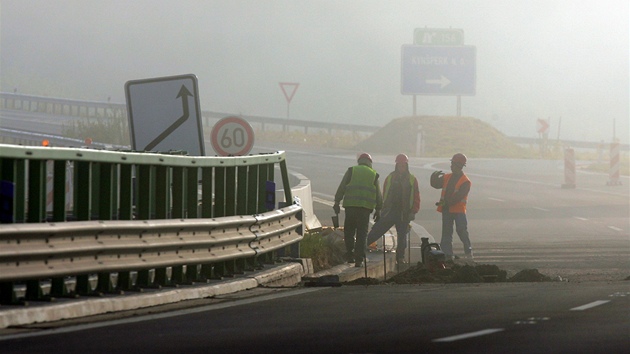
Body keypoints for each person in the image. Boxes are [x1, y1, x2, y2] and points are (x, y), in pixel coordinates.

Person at [363, 153, 420, 266]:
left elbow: (416, 196)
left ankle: (400, 258)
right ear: (396, 165)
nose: (401, 168)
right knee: (377, 230)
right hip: (390, 211)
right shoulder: (390, 178)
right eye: (399, 165)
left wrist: (413, 211)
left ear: (406, 166)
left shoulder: (412, 180)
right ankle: (360, 248)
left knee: (402, 236)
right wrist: (382, 209)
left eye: (403, 165)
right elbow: (384, 194)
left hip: (404, 213)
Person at [333, 153, 382, 264]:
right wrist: (379, 209)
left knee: (349, 231)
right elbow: (378, 194)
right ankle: (359, 259)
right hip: (365, 209)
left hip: (350, 207)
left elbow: (342, 187)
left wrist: (337, 201)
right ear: (370, 162)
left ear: (359, 161)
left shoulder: (351, 171)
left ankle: (350, 255)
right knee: (362, 234)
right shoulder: (374, 175)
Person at [430, 153, 473, 261]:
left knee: (462, 231)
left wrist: (446, 203)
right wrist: (433, 178)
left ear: (459, 165)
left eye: (452, 164)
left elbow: (458, 197)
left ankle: (468, 252)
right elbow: (436, 184)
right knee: (446, 233)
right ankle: (447, 255)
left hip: (458, 211)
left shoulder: (465, 181)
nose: (451, 166)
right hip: (447, 210)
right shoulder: (447, 177)